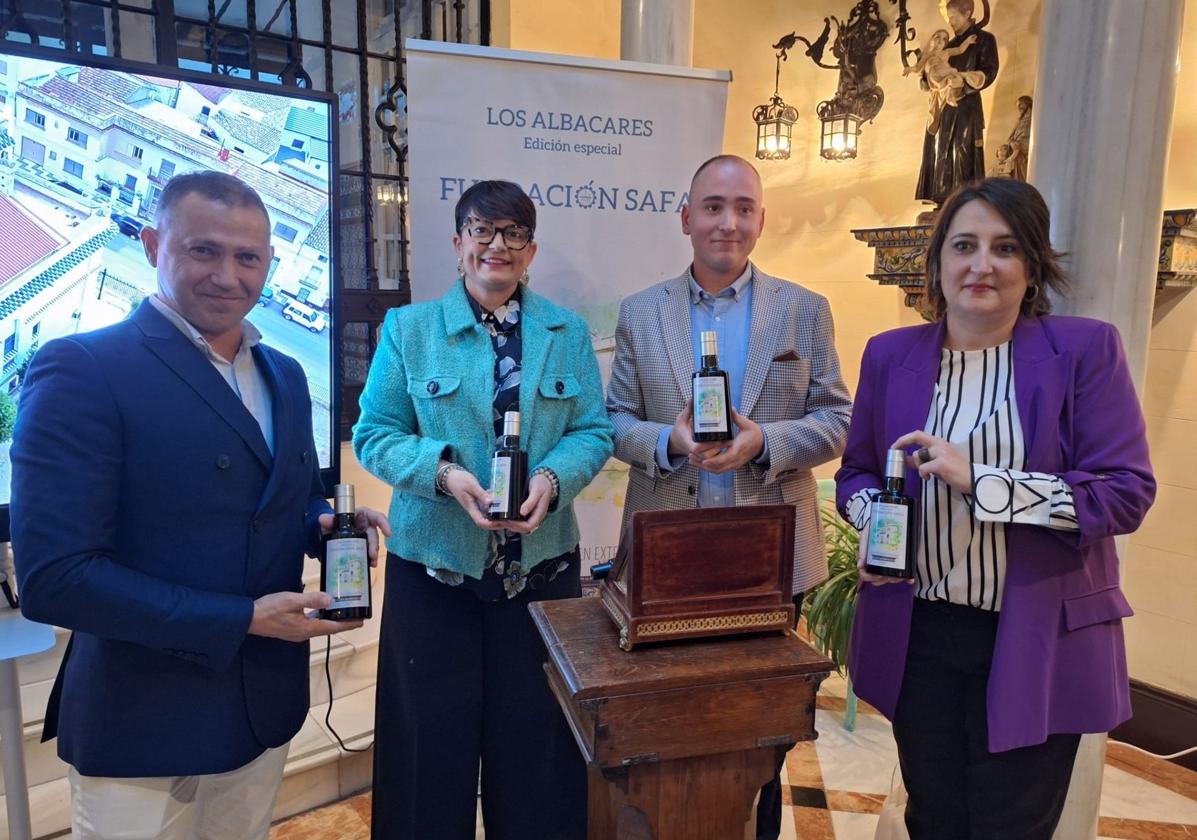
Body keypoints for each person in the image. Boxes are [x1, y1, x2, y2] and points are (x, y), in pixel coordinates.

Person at [10, 171, 390, 840]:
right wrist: (242, 619)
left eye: (248, 258)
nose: (228, 276)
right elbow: (54, 579)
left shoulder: (286, 376)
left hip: (259, 706)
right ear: (154, 244)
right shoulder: (83, 368)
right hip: (142, 715)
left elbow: (290, 500)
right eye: (203, 250)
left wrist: (322, 526)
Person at [837, 178, 1155, 839]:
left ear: (1031, 266)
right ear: (937, 262)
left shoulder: (1082, 352)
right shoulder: (889, 356)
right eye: (963, 245)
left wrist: (981, 482)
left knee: (1009, 827)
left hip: (1034, 637)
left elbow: (1124, 492)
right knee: (933, 819)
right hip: (919, 633)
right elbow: (859, 472)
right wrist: (874, 523)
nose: (981, 265)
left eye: (1004, 247)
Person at [353, 180, 613, 840]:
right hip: (434, 577)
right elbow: (375, 433)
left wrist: (552, 480)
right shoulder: (409, 331)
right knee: (424, 760)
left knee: (537, 759)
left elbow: (593, 431)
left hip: (540, 580)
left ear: (530, 250)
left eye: (513, 233)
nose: (497, 245)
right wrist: (444, 475)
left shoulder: (565, 331)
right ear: (458, 242)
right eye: (482, 230)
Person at [605, 154, 852, 840]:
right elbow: (614, 421)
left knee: (759, 732)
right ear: (686, 218)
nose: (728, 221)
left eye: (743, 207)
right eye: (712, 206)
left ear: (761, 220)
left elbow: (838, 419)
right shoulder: (639, 311)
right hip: (667, 555)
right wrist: (670, 442)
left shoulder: (804, 312)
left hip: (768, 559)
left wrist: (763, 442)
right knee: (667, 725)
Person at [914, 0, 999, 206]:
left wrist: (965, 79)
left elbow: (989, 71)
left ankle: (964, 201)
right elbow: (932, 76)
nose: (949, 22)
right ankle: (941, 200)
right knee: (940, 150)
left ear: (968, 12)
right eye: (948, 18)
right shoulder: (948, 46)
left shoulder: (984, 40)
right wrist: (926, 76)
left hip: (966, 105)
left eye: (953, 17)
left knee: (963, 151)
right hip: (943, 106)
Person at [905, 29, 985, 136]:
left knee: (957, 80)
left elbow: (960, 50)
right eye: (937, 37)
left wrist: (967, 41)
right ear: (932, 39)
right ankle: (950, 92)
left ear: (946, 43)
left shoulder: (946, 52)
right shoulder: (928, 55)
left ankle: (950, 96)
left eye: (944, 39)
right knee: (953, 74)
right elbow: (917, 68)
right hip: (936, 75)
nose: (940, 41)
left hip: (946, 74)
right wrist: (909, 69)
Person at [1008, 94, 1033, 181]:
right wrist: (1012, 144)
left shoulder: (1035, 119)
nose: (1018, 108)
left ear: (1027, 104)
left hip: (1028, 154)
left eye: (1020, 105)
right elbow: (1010, 137)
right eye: (1017, 106)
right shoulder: (1020, 121)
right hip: (1017, 154)